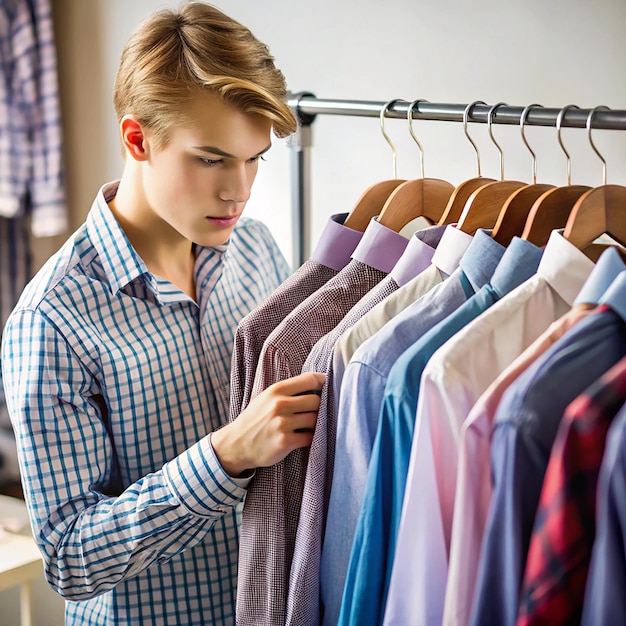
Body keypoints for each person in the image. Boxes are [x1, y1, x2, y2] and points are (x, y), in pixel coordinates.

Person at [0, 3, 325, 625]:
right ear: (137, 138)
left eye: (254, 158)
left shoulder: (257, 248)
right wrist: (226, 456)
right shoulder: (51, 322)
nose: (240, 188)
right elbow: (70, 559)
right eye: (211, 159)